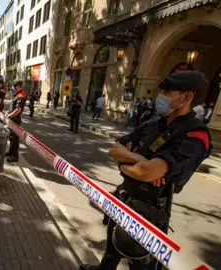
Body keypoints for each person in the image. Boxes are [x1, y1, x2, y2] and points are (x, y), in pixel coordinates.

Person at [80, 71, 212, 270]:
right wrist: (138, 161)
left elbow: (147, 172)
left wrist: (130, 163)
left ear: (186, 97)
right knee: (113, 244)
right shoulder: (153, 124)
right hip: (126, 196)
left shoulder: (195, 134)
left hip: (150, 210)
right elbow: (115, 149)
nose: (161, 96)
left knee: (140, 261)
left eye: (168, 92)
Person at [6, 80, 27, 163]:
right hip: (13, 119)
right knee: (11, 137)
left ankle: (15, 156)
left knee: (15, 139)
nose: (13, 88)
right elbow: (13, 107)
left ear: (17, 86)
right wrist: (8, 112)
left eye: (14, 86)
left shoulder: (21, 95)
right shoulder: (17, 94)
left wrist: (9, 115)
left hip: (16, 119)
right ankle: (10, 152)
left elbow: (18, 110)